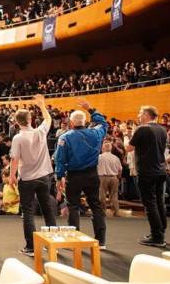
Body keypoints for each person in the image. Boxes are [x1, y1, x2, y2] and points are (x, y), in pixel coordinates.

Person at [54, 99, 108, 249]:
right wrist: (90, 109)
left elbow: (60, 160)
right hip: (92, 174)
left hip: (74, 176)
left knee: (73, 207)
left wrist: (59, 177)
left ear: (71, 123)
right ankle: (101, 240)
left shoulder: (65, 137)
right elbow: (104, 124)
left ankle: (73, 240)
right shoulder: (96, 133)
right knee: (95, 206)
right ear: (85, 121)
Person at [8, 94, 57, 256]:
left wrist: (11, 176)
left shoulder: (17, 138)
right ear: (30, 119)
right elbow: (48, 119)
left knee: (28, 212)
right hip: (44, 177)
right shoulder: (40, 131)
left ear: (16, 122)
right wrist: (42, 105)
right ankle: (52, 243)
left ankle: (31, 247)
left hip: (27, 179)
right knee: (47, 209)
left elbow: (15, 160)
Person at [127, 105, 168, 247]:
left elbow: (129, 148)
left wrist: (130, 134)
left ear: (146, 114)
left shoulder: (142, 129)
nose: (138, 116)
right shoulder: (162, 129)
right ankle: (161, 230)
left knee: (149, 203)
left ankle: (157, 236)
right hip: (160, 170)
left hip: (147, 171)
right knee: (159, 202)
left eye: (140, 113)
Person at [98, 141, 122, 217]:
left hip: (103, 177)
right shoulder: (116, 158)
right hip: (114, 177)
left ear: (103, 148)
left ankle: (102, 211)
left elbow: (95, 168)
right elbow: (120, 170)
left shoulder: (99, 157)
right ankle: (116, 212)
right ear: (111, 149)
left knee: (102, 195)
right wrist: (118, 177)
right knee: (114, 195)